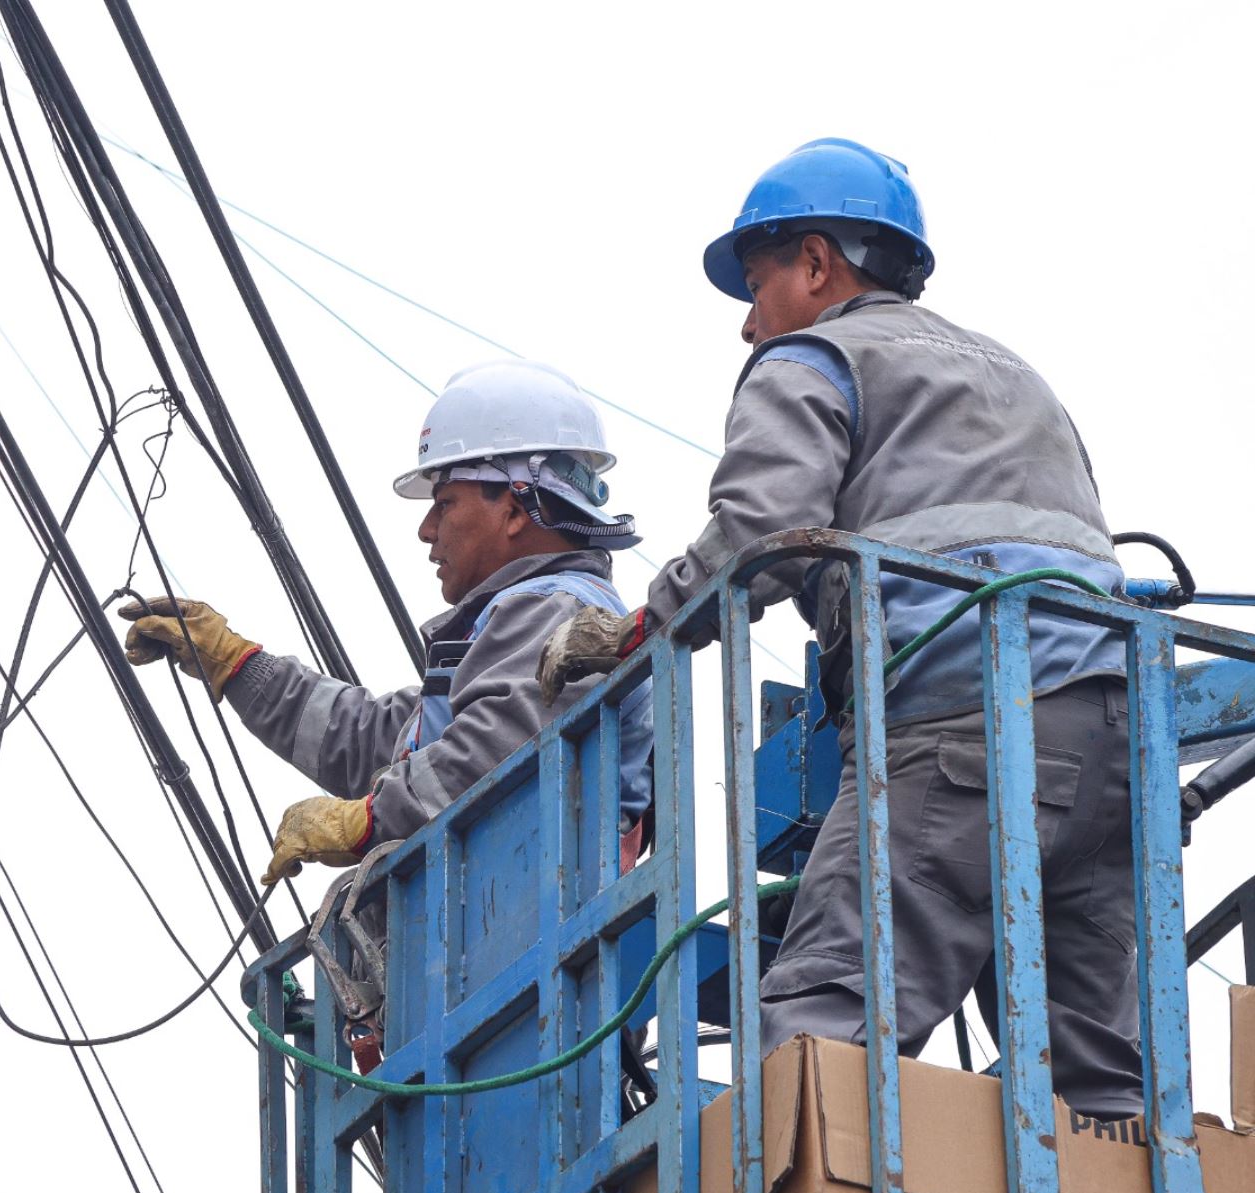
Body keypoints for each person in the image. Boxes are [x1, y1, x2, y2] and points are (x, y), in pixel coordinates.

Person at [537, 138, 1141, 1116]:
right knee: (1103, 1090)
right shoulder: (1016, 374)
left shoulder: (815, 355)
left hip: (960, 731)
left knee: (821, 1024)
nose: (748, 323)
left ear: (818, 263)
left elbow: (761, 529)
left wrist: (648, 623)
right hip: (1114, 736)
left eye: (759, 280)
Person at [119, 359, 654, 889]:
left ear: (514, 510)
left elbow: (491, 758)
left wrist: (366, 820)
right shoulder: (508, 628)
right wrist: (236, 664)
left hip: (535, 924)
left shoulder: (557, 611)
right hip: (497, 925)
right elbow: (370, 741)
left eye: (444, 503)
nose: (427, 529)